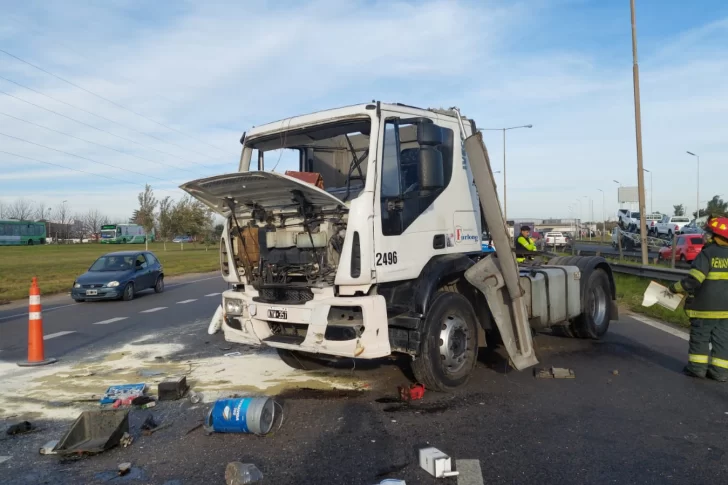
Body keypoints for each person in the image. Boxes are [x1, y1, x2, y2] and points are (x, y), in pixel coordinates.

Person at [669, 216, 728, 381]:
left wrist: (674, 288)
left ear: (715, 236)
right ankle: (720, 372)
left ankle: (697, 368)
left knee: (700, 337)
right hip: (726, 311)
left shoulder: (707, 254)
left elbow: (694, 280)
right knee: (722, 341)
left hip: (704, 308)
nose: (705, 235)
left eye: (708, 232)